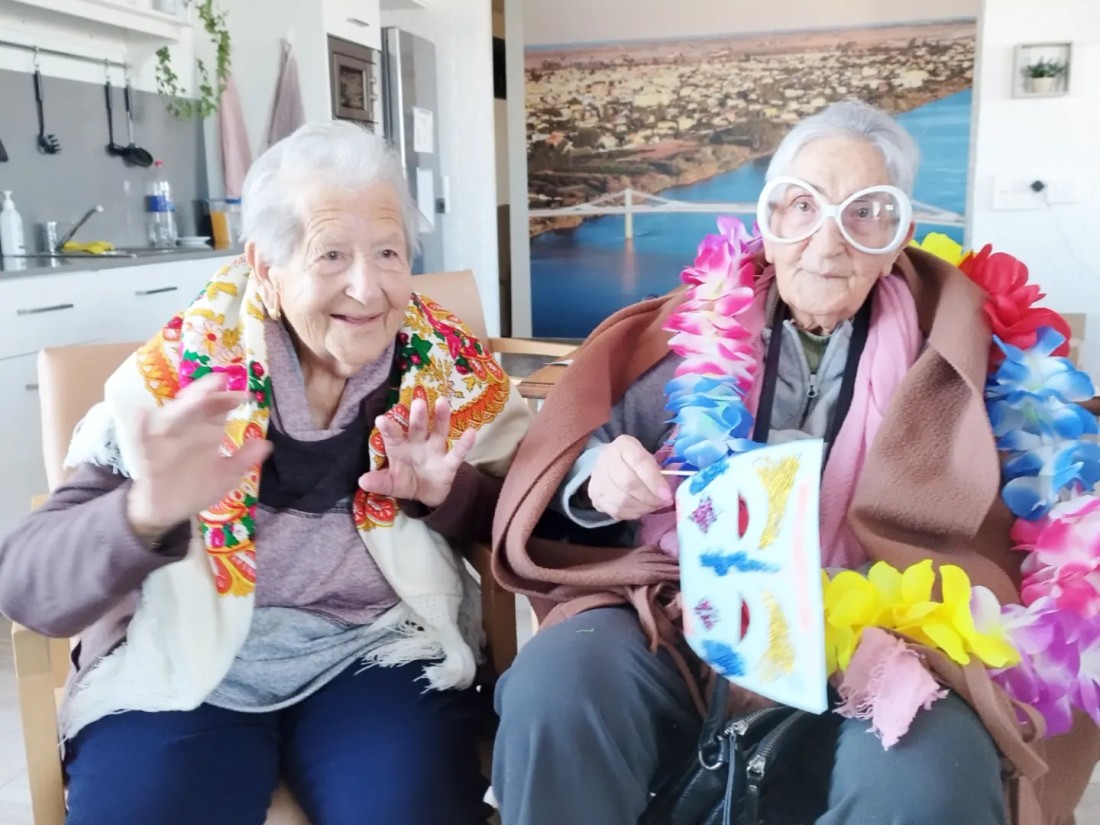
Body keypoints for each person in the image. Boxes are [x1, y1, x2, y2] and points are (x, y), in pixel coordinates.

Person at [490, 101, 1098, 825]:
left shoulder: (962, 346)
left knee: (931, 776)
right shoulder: (679, 334)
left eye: (864, 213)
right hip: (686, 609)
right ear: (769, 223)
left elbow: (1044, 500)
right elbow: (570, 458)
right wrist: (599, 480)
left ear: (897, 237)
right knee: (558, 685)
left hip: (888, 635)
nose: (828, 242)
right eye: (803, 205)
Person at [0, 121, 531, 825]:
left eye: (388, 251)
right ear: (265, 266)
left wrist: (447, 496)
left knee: (407, 808)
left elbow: (531, 516)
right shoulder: (178, 381)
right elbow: (26, 588)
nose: (367, 287)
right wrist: (144, 513)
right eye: (331, 254)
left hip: (375, 651)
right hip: (187, 657)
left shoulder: (444, 370)